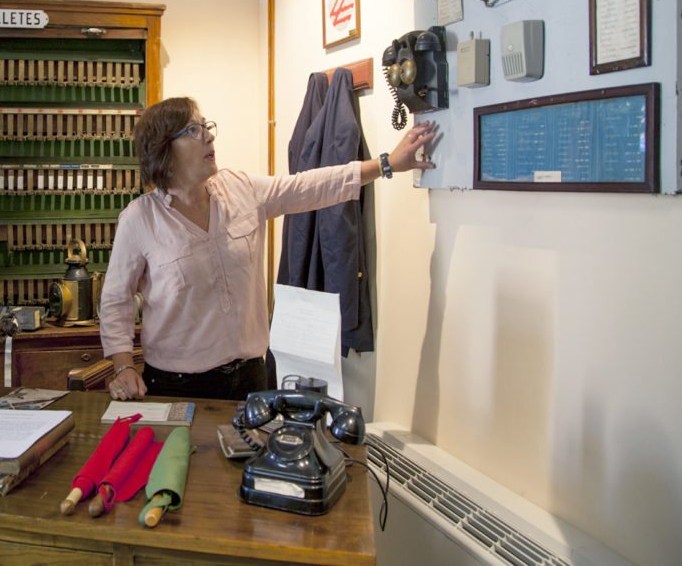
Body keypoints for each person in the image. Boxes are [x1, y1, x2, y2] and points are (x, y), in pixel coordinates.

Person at [99, 96, 437, 401]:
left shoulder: (240, 189)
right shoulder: (139, 219)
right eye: (193, 130)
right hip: (176, 386)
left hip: (251, 378)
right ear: (163, 151)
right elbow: (116, 300)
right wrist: (122, 366)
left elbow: (306, 186)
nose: (209, 136)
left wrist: (386, 164)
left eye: (206, 126)